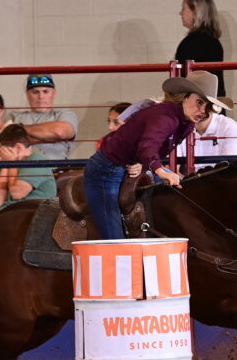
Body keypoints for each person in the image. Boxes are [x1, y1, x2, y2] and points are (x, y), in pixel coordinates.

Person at [84, 72, 229, 240]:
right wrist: (161, 171)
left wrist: (143, 165)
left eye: (208, 106)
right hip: (105, 170)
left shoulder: (187, 124)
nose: (203, 111)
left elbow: (148, 148)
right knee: (113, 235)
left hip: (125, 165)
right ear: (184, 97)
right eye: (199, 102)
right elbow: (148, 145)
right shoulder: (165, 117)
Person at [175, 79, 237, 171]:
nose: (202, 110)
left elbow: (233, 168)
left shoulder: (228, 126)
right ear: (185, 100)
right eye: (199, 102)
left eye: (208, 104)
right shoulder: (176, 125)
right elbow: (171, 169)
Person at [0, 124, 57, 209]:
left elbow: (17, 193)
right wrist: (6, 166)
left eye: (3, 152)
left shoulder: (37, 160)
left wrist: (11, 163)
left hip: (31, 214)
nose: (0, 156)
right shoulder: (6, 162)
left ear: (18, 148)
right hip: (6, 215)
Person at [10, 74, 79, 160]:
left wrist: (19, 129)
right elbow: (8, 142)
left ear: (54, 93)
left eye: (46, 91)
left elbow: (60, 132)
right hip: (22, 171)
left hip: (56, 171)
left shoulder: (65, 114)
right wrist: (52, 138)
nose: (41, 97)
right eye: (35, 92)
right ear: (27, 95)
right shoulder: (15, 116)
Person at [176, 0, 226, 97]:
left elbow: (182, 83)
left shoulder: (191, 43)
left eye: (183, 8)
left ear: (195, 10)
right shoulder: (214, 42)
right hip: (213, 105)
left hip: (198, 108)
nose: (180, 13)